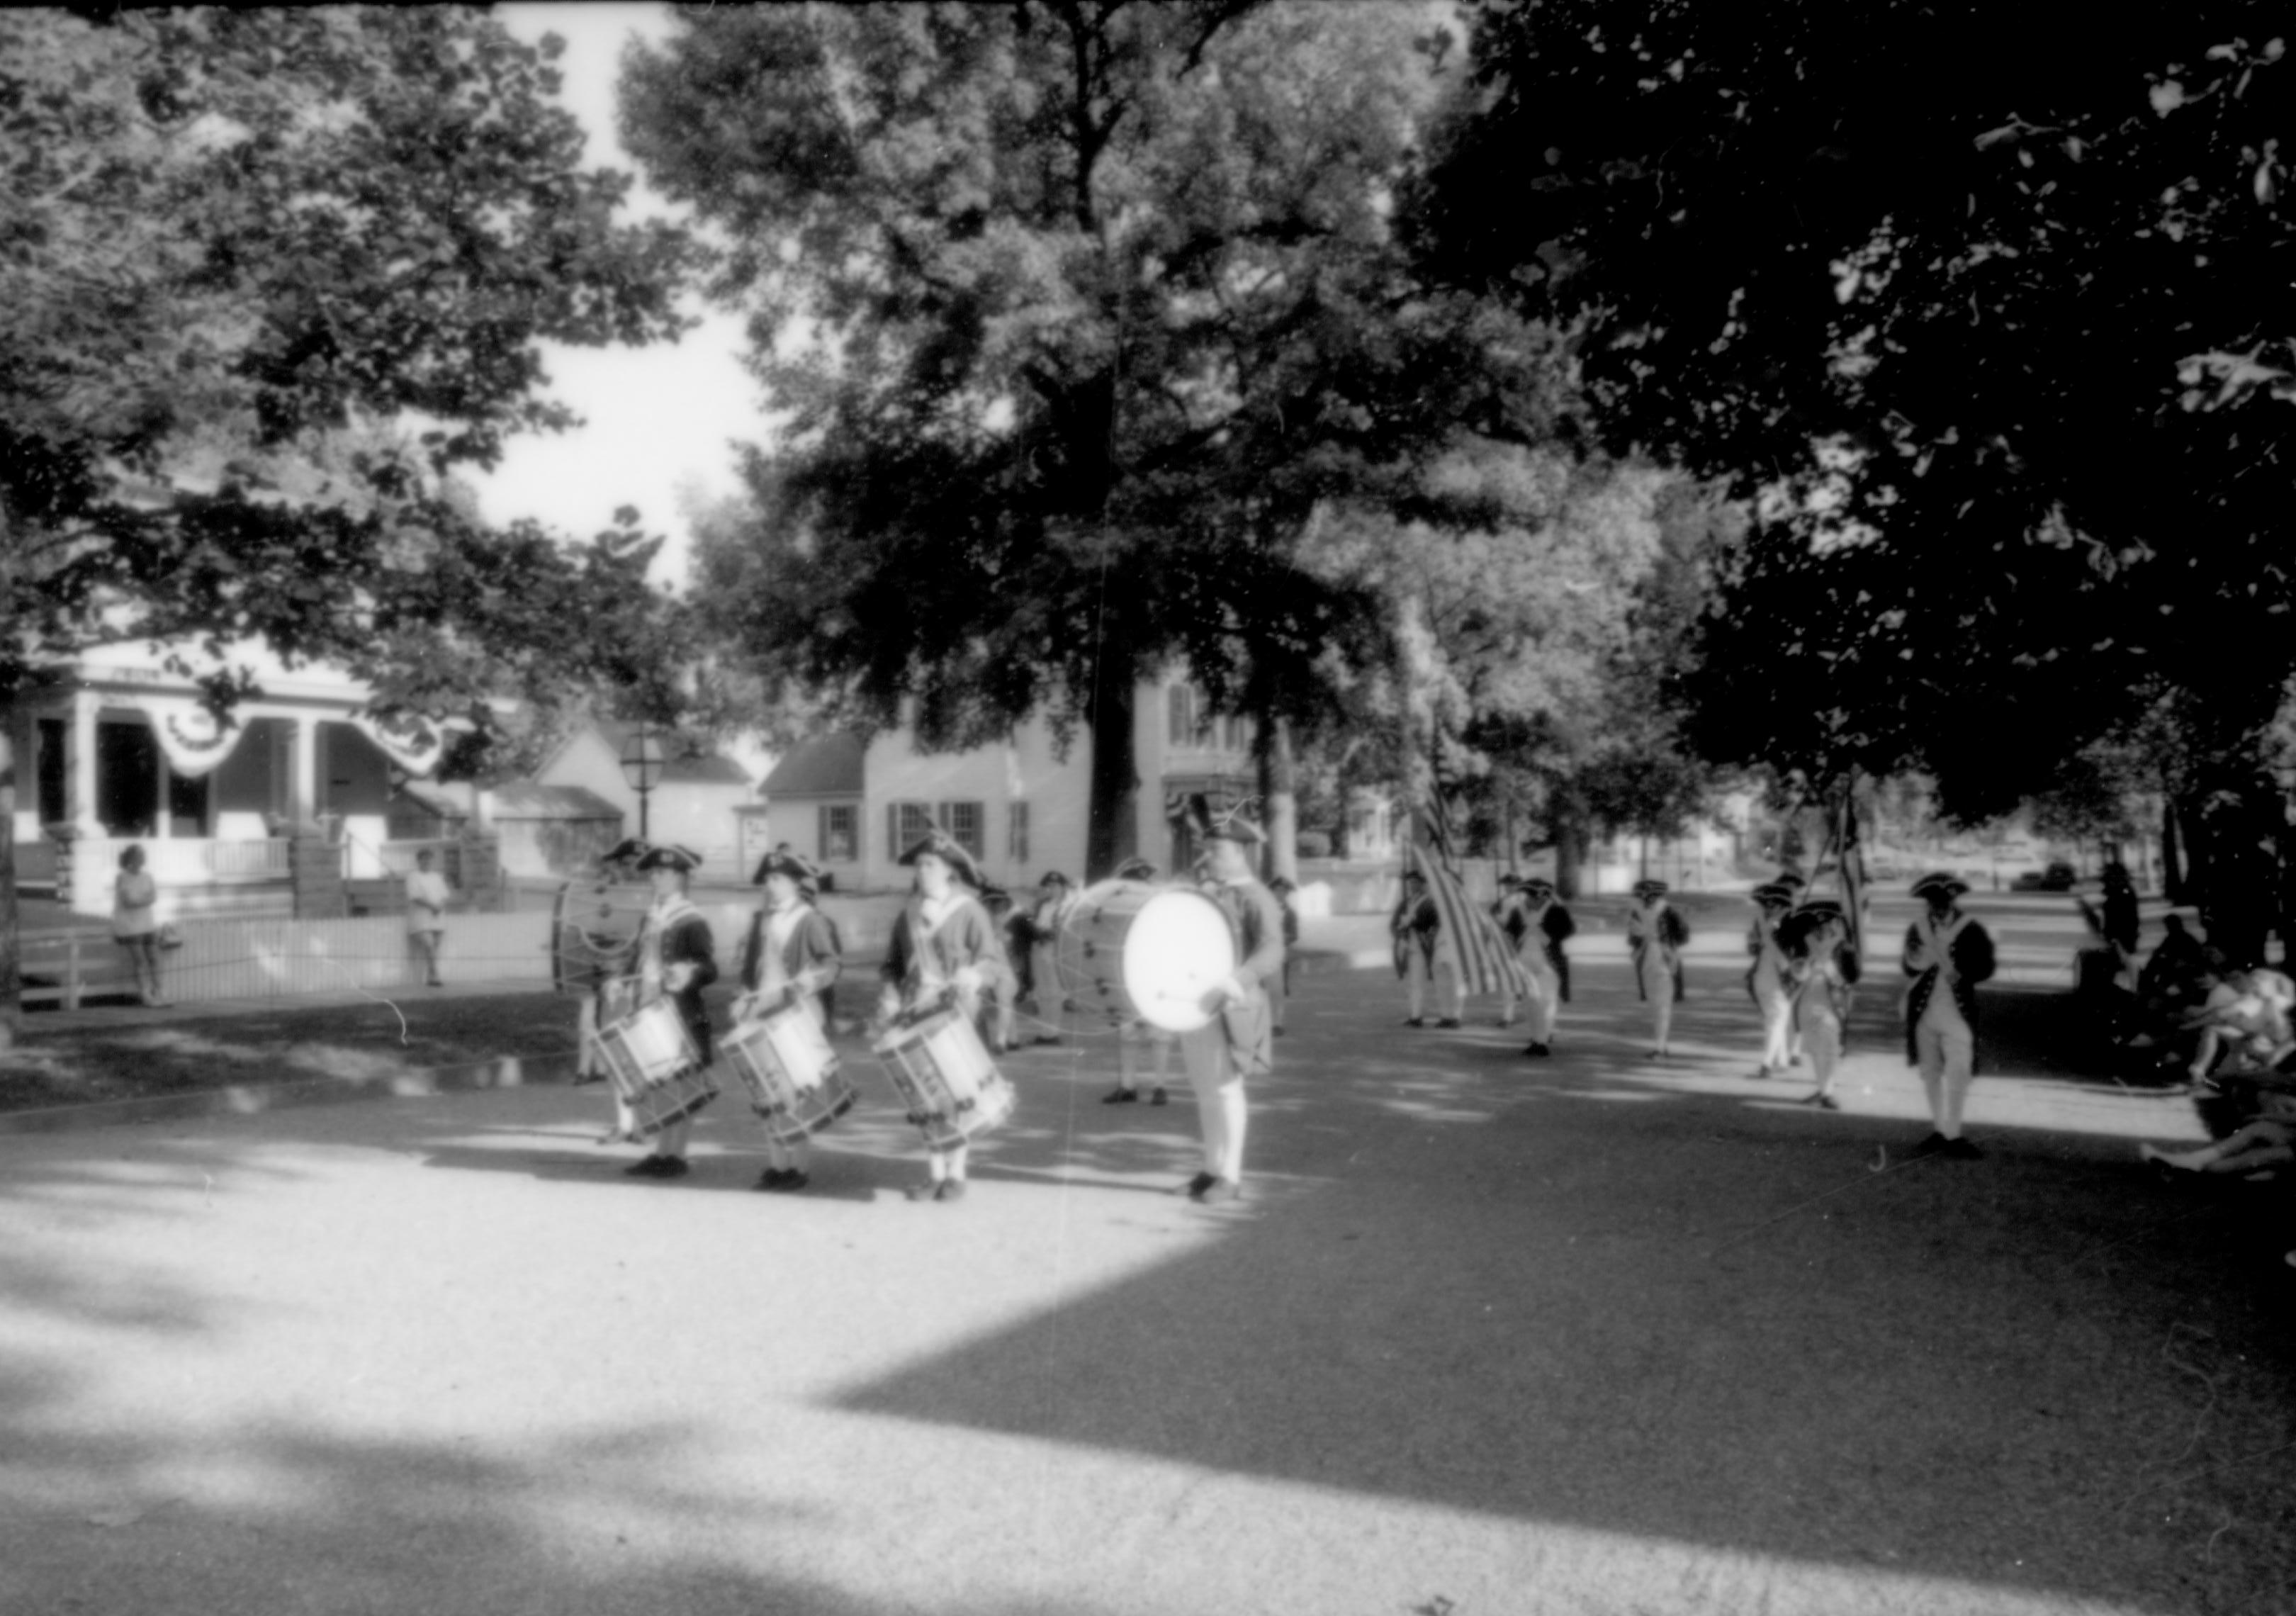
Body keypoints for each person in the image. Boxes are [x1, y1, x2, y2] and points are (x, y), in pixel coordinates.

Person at [879, 830, 1015, 1203]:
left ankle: (956, 1174)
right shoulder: (908, 913)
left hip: (957, 1015)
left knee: (959, 1095)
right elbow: (891, 965)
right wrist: (890, 995)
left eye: (930, 865)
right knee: (927, 1096)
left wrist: (974, 976)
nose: (922, 871)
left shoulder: (970, 911)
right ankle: (934, 1174)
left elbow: (990, 960)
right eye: (920, 865)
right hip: (915, 1010)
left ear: (949, 871)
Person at [1178, 808, 1285, 1203]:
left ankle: (1232, 1175)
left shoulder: (1257, 896)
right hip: (1199, 1004)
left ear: (1241, 851)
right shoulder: (1207, 892)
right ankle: (1210, 1169)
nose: (1209, 856)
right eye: (1206, 849)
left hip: (1233, 1004)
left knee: (1225, 1090)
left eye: (1218, 849)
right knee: (1205, 1089)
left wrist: (1237, 980)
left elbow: (1272, 949)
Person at [735, 849, 843, 1191]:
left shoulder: (809, 919)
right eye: (767, 879)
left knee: (794, 1090)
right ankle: (777, 1164)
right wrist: (742, 995)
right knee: (768, 1089)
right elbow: (751, 967)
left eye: (777, 879)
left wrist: (814, 978)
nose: (770, 885)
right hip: (763, 1007)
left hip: (796, 1012)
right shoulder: (761, 919)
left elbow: (831, 962)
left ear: (795, 883)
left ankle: (799, 1166)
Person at [614, 844, 719, 1180]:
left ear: (679, 877)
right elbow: (639, 958)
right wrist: (620, 980)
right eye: (653, 873)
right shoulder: (651, 914)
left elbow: (709, 967)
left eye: (662, 873)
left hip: (679, 1010)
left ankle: (676, 1154)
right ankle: (662, 1152)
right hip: (648, 1004)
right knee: (660, 1082)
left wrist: (689, 972)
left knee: (682, 1083)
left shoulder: (691, 919)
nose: (655, 878)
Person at [1902, 872, 1997, 1159]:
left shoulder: (1971, 928)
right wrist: (1916, 958)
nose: (1939, 907)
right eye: (1934, 902)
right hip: (1924, 1010)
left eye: (1944, 901)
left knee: (1960, 1069)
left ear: (1953, 900)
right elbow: (1908, 967)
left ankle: (1954, 1133)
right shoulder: (1918, 928)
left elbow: (1987, 966)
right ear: (1928, 903)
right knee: (1930, 1072)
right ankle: (1940, 1129)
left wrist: (1963, 973)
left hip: (1956, 1011)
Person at [1102, 857, 1176, 1106]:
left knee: (1158, 1033)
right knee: (1128, 1032)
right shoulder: (1121, 907)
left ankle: (1160, 1086)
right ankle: (1128, 1086)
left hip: (1155, 974)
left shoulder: (1161, 906)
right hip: (1128, 974)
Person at [1779, 899, 1859, 1111]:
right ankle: (1823, 1088)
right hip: (1807, 1000)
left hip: (1831, 1003)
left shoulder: (1843, 946)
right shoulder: (1806, 944)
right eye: (1817, 927)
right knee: (1814, 1048)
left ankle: (1827, 1092)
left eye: (1826, 925)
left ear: (1834, 925)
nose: (1821, 930)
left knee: (1831, 1048)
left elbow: (1853, 975)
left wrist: (1837, 974)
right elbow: (1793, 968)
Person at [1627, 878, 1689, 1060]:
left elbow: (1684, 935)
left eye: (1649, 897)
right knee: (1655, 1005)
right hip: (1646, 962)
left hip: (1665, 963)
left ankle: (1660, 1047)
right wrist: (1640, 936)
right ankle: (1661, 1043)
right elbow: (1632, 940)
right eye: (1643, 897)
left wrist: (1666, 942)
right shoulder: (1637, 914)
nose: (1645, 900)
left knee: (1663, 1005)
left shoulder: (1668, 912)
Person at [1391, 867, 1460, 1028]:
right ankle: (1416, 1015)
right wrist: (1400, 932)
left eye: (1416, 883)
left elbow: (1432, 923)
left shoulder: (1429, 902)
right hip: (1410, 947)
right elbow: (1394, 924)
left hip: (1426, 947)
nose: (1412, 886)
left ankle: (1450, 1015)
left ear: (1423, 884)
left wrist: (1413, 922)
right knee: (1414, 983)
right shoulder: (1406, 903)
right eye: (1411, 883)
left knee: (1442, 982)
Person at [1517, 876, 1573, 1057]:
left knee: (1546, 1001)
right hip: (1525, 963)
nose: (1527, 899)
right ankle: (1537, 1038)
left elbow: (1568, 929)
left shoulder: (1556, 911)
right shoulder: (1520, 912)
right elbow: (1509, 932)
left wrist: (1548, 934)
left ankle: (1541, 1041)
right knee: (1531, 1002)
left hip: (1548, 964)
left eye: (1530, 896)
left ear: (1541, 897)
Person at [1745, 884, 1796, 1077]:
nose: (1768, 908)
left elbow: (1798, 950)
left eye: (1773, 904)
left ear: (1782, 904)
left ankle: (1767, 1063)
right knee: (1774, 1019)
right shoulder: (1760, 921)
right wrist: (1755, 942)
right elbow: (1752, 949)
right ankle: (1782, 1060)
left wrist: (1780, 936)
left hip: (1783, 975)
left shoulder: (1791, 921)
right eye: (1766, 904)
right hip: (1762, 974)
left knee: (1777, 1018)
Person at [112, 844, 169, 1007]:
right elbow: (128, 902)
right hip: (129, 925)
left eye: (143, 856)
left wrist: (141, 900)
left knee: (154, 959)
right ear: (131, 858)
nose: (143, 859)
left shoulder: (148, 876)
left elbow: (153, 897)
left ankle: (161, 993)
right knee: (140, 961)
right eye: (139, 856)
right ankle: (146, 996)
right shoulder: (122, 877)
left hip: (146, 922)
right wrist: (144, 900)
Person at [1025, 870, 1079, 1045]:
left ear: (1063, 888)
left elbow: (1067, 930)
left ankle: (1053, 1032)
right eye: (1048, 886)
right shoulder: (1042, 905)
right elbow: (1032, 923)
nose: (1051, 889)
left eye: (1055, 886)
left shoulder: (1067, 906)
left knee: (1054, 993)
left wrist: (1047, 933)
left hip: (1055, 950)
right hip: (1039, 949)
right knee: (1042, 992)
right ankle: (1044, 1031)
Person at [404, 848, 451, 987]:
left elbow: (445, 895)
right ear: (419, 861)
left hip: (437, 917)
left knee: (434, 948)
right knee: (429, 945)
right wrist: (432, 906)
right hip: (420, 919)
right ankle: (435, 976)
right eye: (423, 859)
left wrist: (440, 906)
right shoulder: (413, 876)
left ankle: (431, 977)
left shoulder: (437, 877)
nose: (427, 861)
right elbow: (414, 897)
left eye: (429, 859)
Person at [1266, 874, 1300, 1036]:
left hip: (1281, 954)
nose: (1280, 894)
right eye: (1277, 891)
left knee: (1279, 989)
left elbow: (1294, 934)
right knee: (1263, 989)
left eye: (1283, 892)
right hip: (1264, 953)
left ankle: (1277, 1023)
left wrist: (1283, 937)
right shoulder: (1264, 910)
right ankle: (1265, 1021)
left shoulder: (1290, 913)